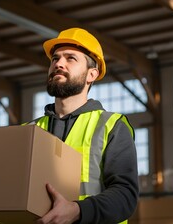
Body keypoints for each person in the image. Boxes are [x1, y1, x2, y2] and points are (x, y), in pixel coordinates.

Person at [27, 28, 139, 224]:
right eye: (55, 59)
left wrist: (78, 211)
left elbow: (125, 196)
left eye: (71, 58)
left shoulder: (112, 126)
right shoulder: (29, 130)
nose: (59, 64)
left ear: (91, 75)